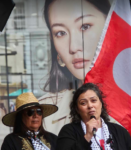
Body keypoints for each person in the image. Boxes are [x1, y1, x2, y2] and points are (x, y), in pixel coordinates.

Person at [39, 0, 112, 134]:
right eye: (60, 33)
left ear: (111, 27)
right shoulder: (42, 115)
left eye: (85, 26)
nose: (73, 46)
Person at [56, 83, 131, 150]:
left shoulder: (120, 131)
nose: (90, 106)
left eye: (93, 100)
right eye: (83, 103)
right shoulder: (68, 131)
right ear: (77, 109)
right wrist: (87, 136)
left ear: (101, 104)